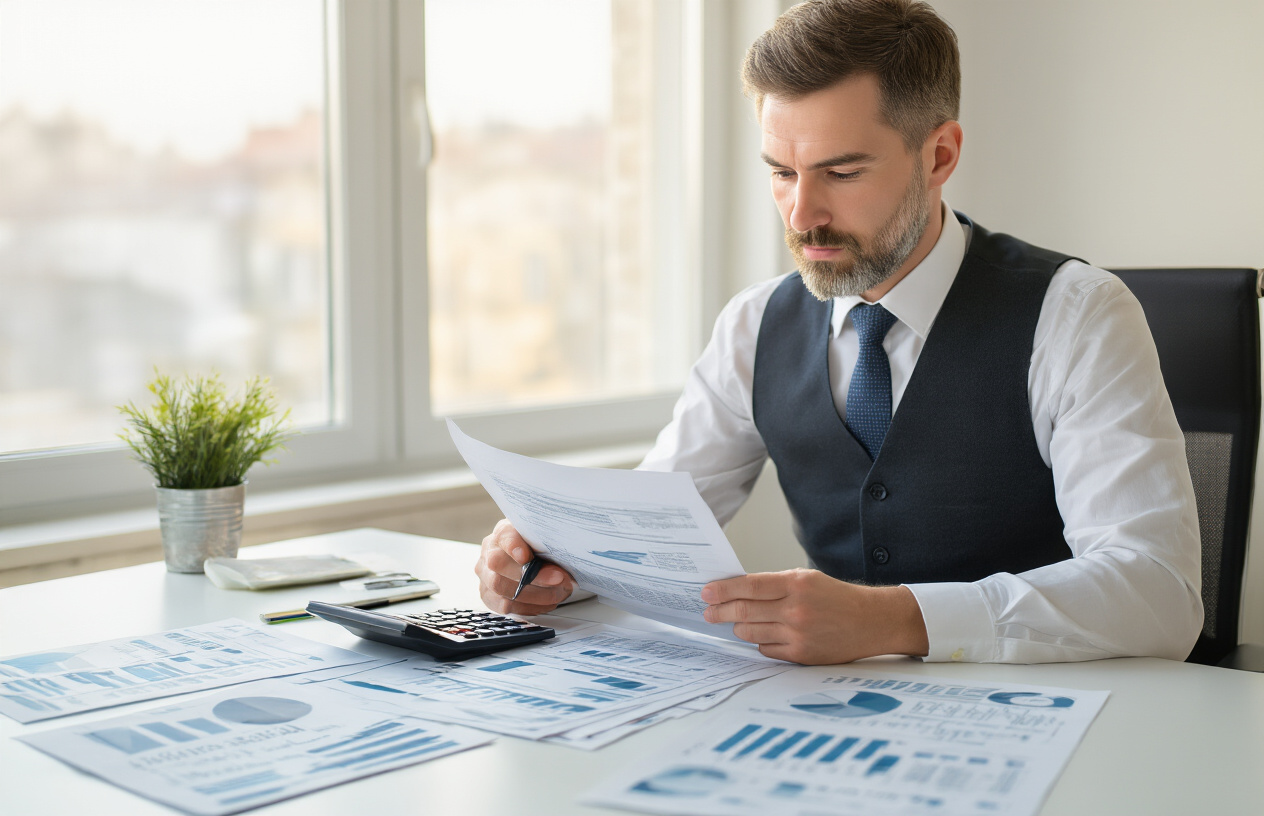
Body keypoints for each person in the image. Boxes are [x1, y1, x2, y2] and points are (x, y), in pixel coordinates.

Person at [474, 0, 1203, 665]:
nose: (801, 216)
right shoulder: (755, 324)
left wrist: (894, 620)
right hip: (826, 724)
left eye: (841, 172)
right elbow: (646, 536)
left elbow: (1159, 594)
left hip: (1061, 715)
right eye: (781, 173)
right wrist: (553, 570)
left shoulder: (1076, 314)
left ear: (940, 155)